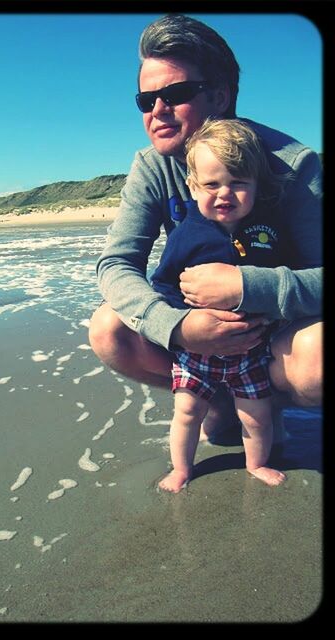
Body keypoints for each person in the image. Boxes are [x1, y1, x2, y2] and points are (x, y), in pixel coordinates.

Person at [89, 14, 322, 442]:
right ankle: (218, 395)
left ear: (219, 95)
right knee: (109, 330)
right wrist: (177, 328)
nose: (157, 111)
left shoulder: (292, 164)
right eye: (146, 100)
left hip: (275, 332)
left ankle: (266, 403)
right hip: (193, 330)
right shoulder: (152, 166)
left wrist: (245, 287)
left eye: (175, 94)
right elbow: (116, 263)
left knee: (318, 361)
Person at [152, 117, 293, 491]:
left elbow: (286, 276)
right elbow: (163, 283)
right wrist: (183, 325)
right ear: (193, 187)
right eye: (212, 184)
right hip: (196, 351)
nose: (224, 194)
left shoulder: (267, 231)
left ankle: (255, 464)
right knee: (187, 412)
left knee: (258, 416)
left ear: (256, 186)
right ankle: (181, 469)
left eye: (238, 183)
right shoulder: (188, 235)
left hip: (251, 349)